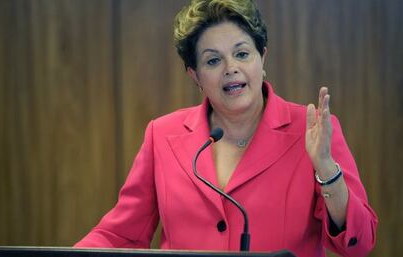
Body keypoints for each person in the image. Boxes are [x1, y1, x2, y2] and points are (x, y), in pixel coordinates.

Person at [75, 1, 378, 256]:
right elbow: (121, 235)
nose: (231, 67)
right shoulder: (162, 136)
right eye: (213, 60)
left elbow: (359, 244)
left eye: (242, 53)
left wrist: (326, 169)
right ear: (195, 75)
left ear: (263, 57)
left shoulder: (312, 131)